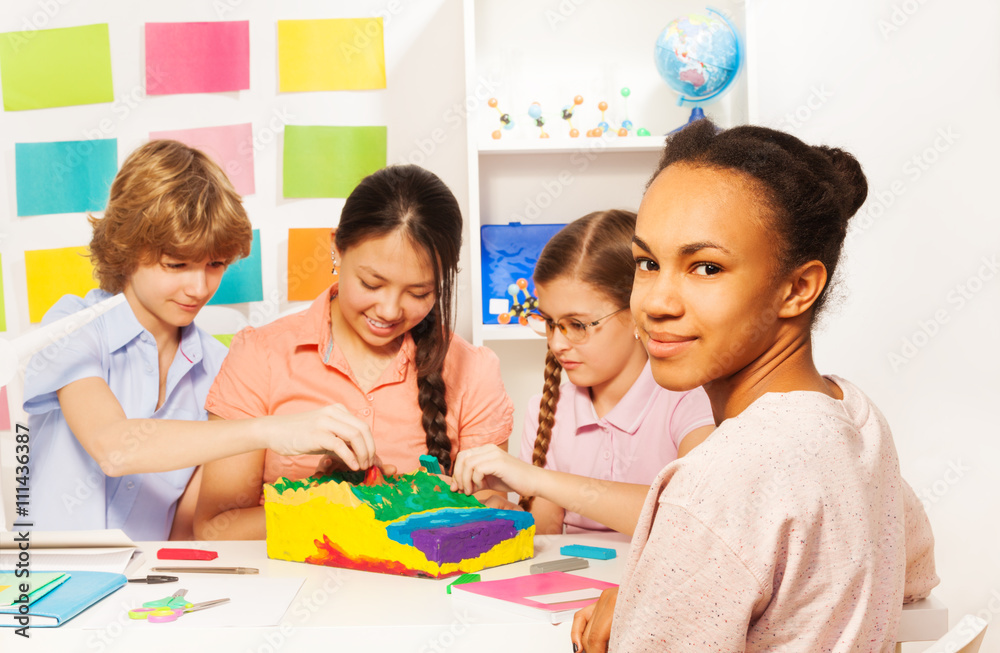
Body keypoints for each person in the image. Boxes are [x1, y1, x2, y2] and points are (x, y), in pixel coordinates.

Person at [453, 121, 939, 652]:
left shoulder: (719, 480)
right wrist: (654, 597)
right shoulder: (858, 419)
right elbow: (910, 576)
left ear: (798, 287)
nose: (657, 302)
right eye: (648, 263)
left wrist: (638, 618)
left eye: (706, 267)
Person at [25, 140, 377, 542]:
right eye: (176, 264)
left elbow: (184, 531)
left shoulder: (219, 365)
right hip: (45, 583)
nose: (198, 287)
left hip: (145, 591)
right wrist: (270, 429)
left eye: (215, 264)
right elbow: (114, 448)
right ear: (125, 246)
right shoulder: (72, 326)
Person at [193, 164, 515, 540]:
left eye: (419, 293)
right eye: (371, 283)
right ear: (337, 249)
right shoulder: (260, 355)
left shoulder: (472, 371)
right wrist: (324, 504)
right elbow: (216, 530)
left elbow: (490, 519)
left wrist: (491, 512)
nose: (390, 310)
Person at [519, 209, 714, 534]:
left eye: (577, 325)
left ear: (639, 311)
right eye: (550, 323)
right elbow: (543, 540)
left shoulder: (691, 400)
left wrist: (538, 480)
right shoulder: (546, 409)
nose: (557, 344)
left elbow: (690, 515)